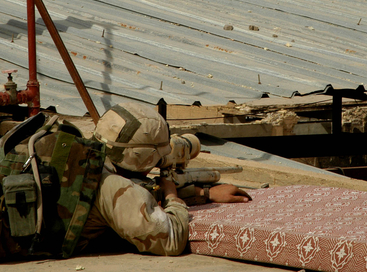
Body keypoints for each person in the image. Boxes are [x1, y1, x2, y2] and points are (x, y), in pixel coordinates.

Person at [77, 102, 251, 256]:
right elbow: (172, 240)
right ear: (144, 158)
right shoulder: (114, 187)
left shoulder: (86, 157)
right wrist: (171, 196)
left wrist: (203, 193)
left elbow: (143, 195)